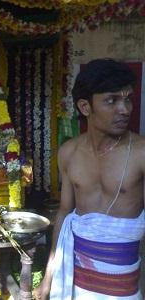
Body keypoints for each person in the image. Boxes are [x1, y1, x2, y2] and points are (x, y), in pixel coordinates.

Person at [34, 58, 145, 299]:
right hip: (75, 280)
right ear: (85, 107)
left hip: (122, 286)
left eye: (127, 99)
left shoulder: (141, 154)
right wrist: (48, 277)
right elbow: (64, 213)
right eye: (112, 100)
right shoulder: (69, 153)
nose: (125, 109)